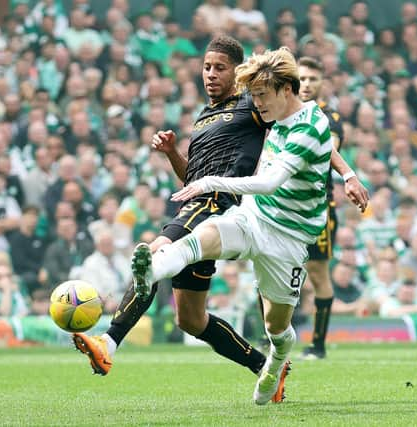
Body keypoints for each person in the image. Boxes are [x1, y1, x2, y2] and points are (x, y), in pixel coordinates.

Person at [127, 48, 368, 405]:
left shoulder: (309, 128)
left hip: (288, 238)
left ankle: (278, 356)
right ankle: (154, 268)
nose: (256, 103)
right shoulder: (273, 111)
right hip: (254, 215)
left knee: (277, 327)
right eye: (252, 96)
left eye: (261, 96)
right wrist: (348, 174)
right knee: (203, 238)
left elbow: (269, 182)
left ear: (286, 90)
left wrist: (211, 182)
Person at [73, 35, 273, 386]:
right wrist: (172, 153)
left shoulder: (251, 106)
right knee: (191, 321)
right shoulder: (203, 117)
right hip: (197, 202)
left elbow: (292, 118)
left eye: (220, 68)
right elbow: (191, 178)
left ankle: (108, 342)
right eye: (207, 67)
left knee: (151, 255)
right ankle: (267, 368)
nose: (210, 74)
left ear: (237, 72)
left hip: (215, 206)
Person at [296, 56, 366, 360]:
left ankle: (319, 345)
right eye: (302, 78)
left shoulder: (330, 118)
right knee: (271, 268)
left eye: (313, 78)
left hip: (319, 206)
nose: (307, 84)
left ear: (323, 82)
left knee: (317, 273)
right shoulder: (280, 114)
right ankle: (270, 338)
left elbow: (327, 149)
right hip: (282, 204)